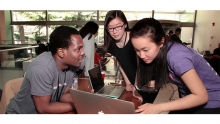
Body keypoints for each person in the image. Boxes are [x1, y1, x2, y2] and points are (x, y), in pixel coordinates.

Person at [130, 18, 220, 114]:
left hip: (212, 102)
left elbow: (201, 97)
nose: (142, 55)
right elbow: (176, 73)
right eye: (137, 50)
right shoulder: (163, 52)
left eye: (146, 50)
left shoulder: (177, 56)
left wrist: (157, 107)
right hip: (190, 97)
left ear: (161, 41)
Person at [6, 26, 85, 114]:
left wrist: (85, 99)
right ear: (61, 52)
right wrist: (77, 105)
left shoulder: (71, 66)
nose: (83, 52)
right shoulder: (42, 67)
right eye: (78, 49)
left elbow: (62, 95)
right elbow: (43, 108)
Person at [103, 10, 159, 104]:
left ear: (125, 25)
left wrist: (137, 87)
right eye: (110, 28)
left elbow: (141, 64)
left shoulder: (135, 39)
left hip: (150, 82)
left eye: (118, 26)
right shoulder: (111, 46)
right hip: (136, 85)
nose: (115, 31)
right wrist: (128, 83)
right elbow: (120, 65)